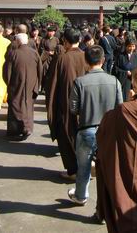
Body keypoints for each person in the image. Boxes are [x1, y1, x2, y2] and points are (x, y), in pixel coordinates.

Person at [95, 65, 137, 231]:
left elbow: (102, 134)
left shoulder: (122, 110)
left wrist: (129, 103)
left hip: (124, 169)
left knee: (123, 203)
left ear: (134, 84)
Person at [67, 45, 123, 205]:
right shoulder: (114, 81)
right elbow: (120, 106)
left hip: (86, 129)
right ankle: (108, 202)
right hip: (109, 131)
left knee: (83, 168)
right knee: (110, 169)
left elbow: (73, 108)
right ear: (103, 60)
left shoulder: (80, 82)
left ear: (86, 61)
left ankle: (81, 195)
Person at [46, 28, 87, 180]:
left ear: (66, 42)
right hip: (85, 106)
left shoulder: (63, 58)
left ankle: (73, 170)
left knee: (68, 135)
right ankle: (85, 169)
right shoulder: (86, 56)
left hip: (66, 104)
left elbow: (53, 83)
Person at [3, 33, 42, 140]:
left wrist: (9, 84)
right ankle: (27, 128)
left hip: (16, 85)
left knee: (15, 105)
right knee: (28, 106)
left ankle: (15, 129)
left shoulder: (13, 54)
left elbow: (7, 72)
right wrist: (37, 85)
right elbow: (40, 70)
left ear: (18, 41)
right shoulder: (35, 53)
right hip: (31, 85)